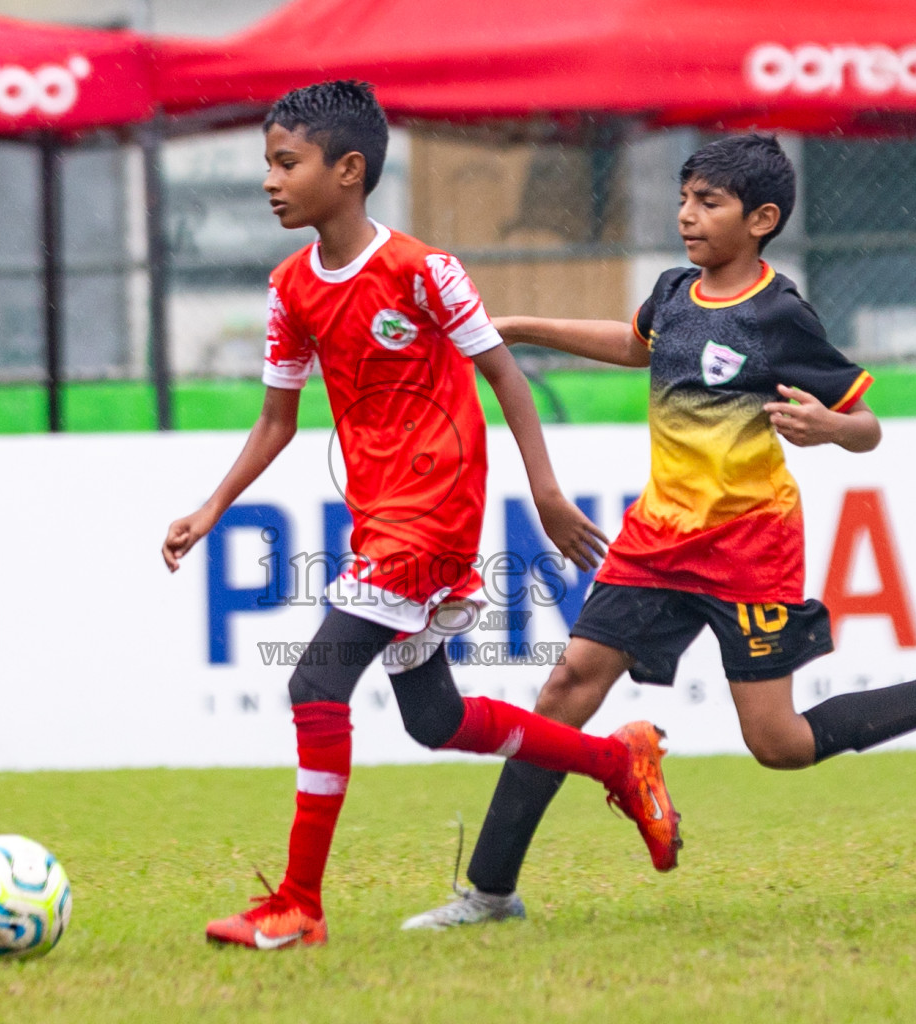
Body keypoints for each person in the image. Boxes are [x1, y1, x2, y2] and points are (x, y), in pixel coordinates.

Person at [402, 133, 916, 932]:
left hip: (750, 549)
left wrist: (830, 430)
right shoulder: (673, 291)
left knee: (779, 743)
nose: (687, 216)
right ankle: (490, 893)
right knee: (566, 689)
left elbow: (866, 424)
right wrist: (520, 327)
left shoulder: (779, 313)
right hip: (657, 539)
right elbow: (637, 345)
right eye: (683, 198)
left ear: (762, 218)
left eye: (709, 202)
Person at [162, 80, 680, 951]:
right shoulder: (290, 289)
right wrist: (211, 506)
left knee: (314, 680)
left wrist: (544, 489)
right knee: (432, 720)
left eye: (287, 163)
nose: (270, 181)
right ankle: (614, 760)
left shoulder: (424, 270)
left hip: (434, 517)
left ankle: (299, 904)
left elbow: (505, 373)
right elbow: (277, 421)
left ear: (349, 170)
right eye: (267, 165)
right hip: (380, 519)